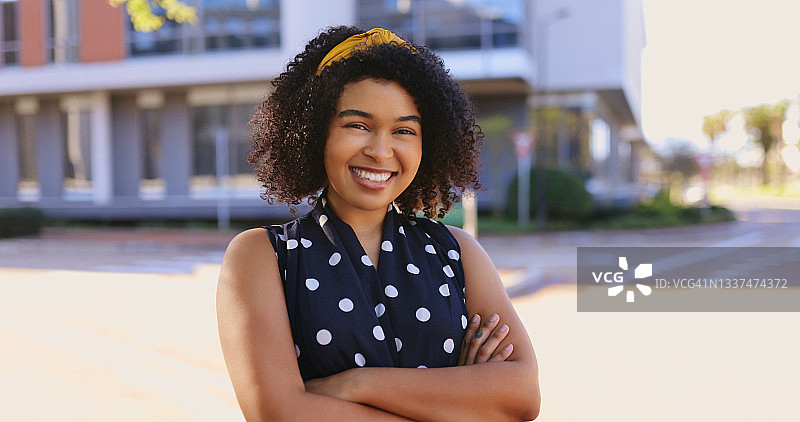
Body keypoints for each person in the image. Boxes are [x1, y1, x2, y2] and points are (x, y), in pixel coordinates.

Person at [217, 26, 540, 421]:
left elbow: (522, 395)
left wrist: (355, 384)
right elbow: (280, 413)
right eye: (357, 125)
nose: (380, 150)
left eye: (404, 130)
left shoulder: (457, 251)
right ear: (315, 132)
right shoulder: (263, 256)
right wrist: (461, 402)